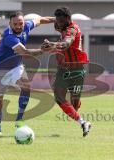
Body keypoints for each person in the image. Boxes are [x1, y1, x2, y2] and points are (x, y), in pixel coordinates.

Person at [0, 11, 55, 136]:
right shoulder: (8, 36)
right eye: (15, 24)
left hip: (16, 67)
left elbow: (40, 19)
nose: (19, 26)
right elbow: (24, 53)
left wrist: (57, 20)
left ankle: (19, 119)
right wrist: (42, 51)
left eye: (21, 23)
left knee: (26, 86)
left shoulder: (26, 26)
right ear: (10, 23)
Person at [42, 7, 91, 137]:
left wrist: (53, 44)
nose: (58, 24)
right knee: (58, 97)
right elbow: (51, 20)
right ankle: (83, 122)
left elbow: (66, 43)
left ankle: (79, 113)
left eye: (61, 21)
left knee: (74, 106)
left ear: (68, 19)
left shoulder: (72, 29)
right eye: (57, 21)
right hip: (63, 69)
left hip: (76, 70)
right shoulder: (61, 25)